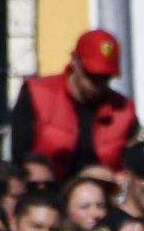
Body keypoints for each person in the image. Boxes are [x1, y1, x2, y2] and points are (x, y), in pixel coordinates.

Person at [13, 29, 136, 181]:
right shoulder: (36, 94)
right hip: (46, 195)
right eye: (91, 76)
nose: (98, 85)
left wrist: (113, 178)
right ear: (74, 61)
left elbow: (131, 170)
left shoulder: (124, 111)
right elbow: (19, 160)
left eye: (105, 78)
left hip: (100, 197)